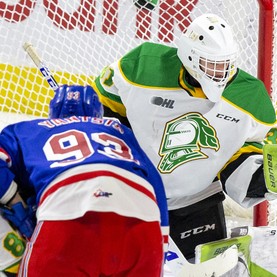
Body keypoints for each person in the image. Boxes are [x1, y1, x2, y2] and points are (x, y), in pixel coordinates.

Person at [93, 12, 277, 263]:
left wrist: (274, 179)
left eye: (226, 64)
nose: (221, 72)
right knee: (114, 266)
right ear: (190, 57)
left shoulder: (250, 98)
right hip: (133, 195)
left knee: (214, 270)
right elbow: (103, 108)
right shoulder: (143, 65)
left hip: (197, 203)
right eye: (213, 64)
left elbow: (241, 161)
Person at [0, 85, 169, 277]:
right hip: (143, 230)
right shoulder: (122, 131)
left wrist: (15, 202)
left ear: (52, 113)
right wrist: (160, 246)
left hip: (68, 221)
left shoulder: (26, 129)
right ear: (98, 115)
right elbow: (156, 183)